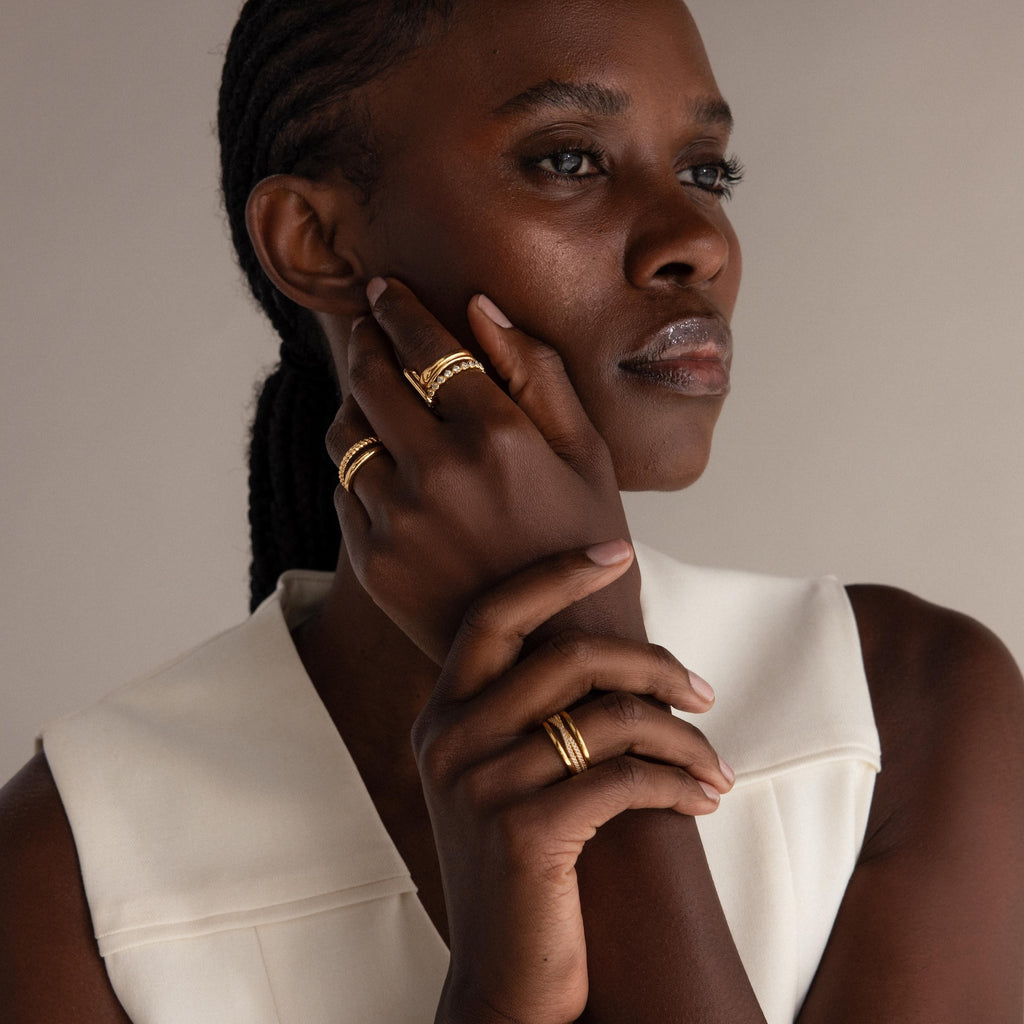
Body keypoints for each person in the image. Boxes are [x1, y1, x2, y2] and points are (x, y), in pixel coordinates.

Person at [2, 0, 1022, 1021]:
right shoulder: (72, 866)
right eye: (569, 160)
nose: (694, 241)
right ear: (314, 240)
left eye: (706, 172)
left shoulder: (903, 710)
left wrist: (588, 693)